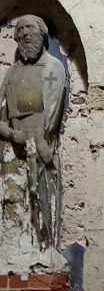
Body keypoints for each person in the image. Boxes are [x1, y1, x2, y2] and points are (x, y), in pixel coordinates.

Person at [0, 15, 66, 203]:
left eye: (30, 27)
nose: (25, 33)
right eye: (20, 30)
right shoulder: (13, 71)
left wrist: (34, 142)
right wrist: (11, 133)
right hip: (11, 154)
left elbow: (50, 119)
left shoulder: (52, 66)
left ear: (42, 33)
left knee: (41, 213)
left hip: (39, 153)